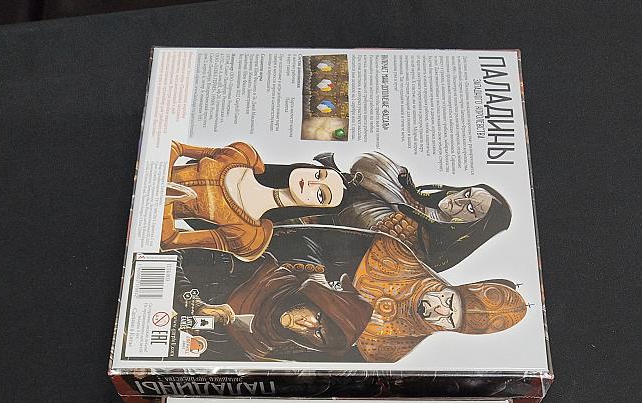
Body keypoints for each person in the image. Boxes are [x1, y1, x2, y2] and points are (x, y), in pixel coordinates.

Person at [172, 226, 528, 364]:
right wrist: (313, 278)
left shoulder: (389, 350)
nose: (437, 311)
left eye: (449, 320)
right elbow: (306, 235)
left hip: (249, 335)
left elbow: (308, 357)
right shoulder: (395, 254)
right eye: (448, 302)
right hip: (258, 272)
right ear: (453, 288)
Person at [309, 151, 512, 271]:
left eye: (470, 208)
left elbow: (405, 222)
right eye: (467, 193)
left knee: (362, 211)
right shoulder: (438, 200)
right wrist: (407, 187)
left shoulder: (441, 244)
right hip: (396, 207)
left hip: (378, 231)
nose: (458, 200)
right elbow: (415, 196)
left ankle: (342, 188)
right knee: (374, 162)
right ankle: (344, 183)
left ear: (473, 225)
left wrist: (400, 204)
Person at [161, 140, 346, 260]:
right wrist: (160, 177)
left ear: (316, 207)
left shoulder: (249, 237)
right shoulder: (243, 155)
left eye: (321, 194)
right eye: (318, 174)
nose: (311, 183)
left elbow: (170, 240)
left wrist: (164, 201)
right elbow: (175, 147)